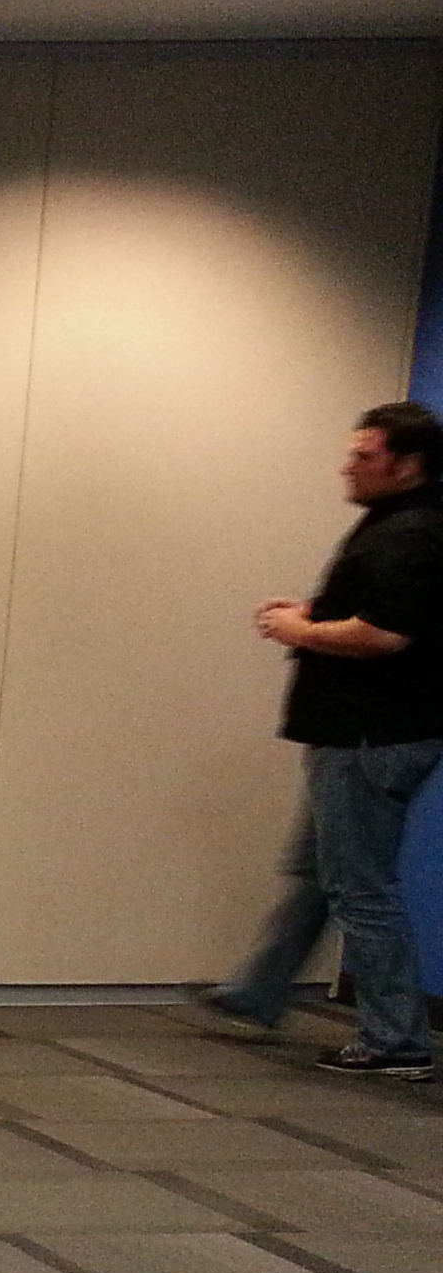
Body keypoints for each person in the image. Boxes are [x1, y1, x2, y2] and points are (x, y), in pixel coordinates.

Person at [202, 401, 443, 1078]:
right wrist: (312, 611)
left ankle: (396, 1041)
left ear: (407, 465)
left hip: (369, 735)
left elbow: (384, 634)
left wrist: (300, 631)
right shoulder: (399, 522)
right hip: (361, 731)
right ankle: (257, 991)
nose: (348, 466)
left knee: (358, 887)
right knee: (316, 872)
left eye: (365, 456)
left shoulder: (411, 534)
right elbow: (389, 610)